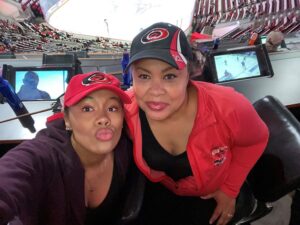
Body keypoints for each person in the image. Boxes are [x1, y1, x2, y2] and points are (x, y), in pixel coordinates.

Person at [124, 22, 269, 225]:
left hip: (210, 198)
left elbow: (256, 139)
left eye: (169, 76)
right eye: (144, 76)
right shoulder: (126, 108)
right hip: (163, 196)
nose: (155, 91)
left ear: (189, 74)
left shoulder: (229, 106)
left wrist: (230, 189)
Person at [0, 71, 140, 225]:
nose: (103, 119)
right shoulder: (44, 155)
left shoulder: (129, 149)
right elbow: (12, 173)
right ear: (66, 119)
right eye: (87, 109)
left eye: (112, 108)